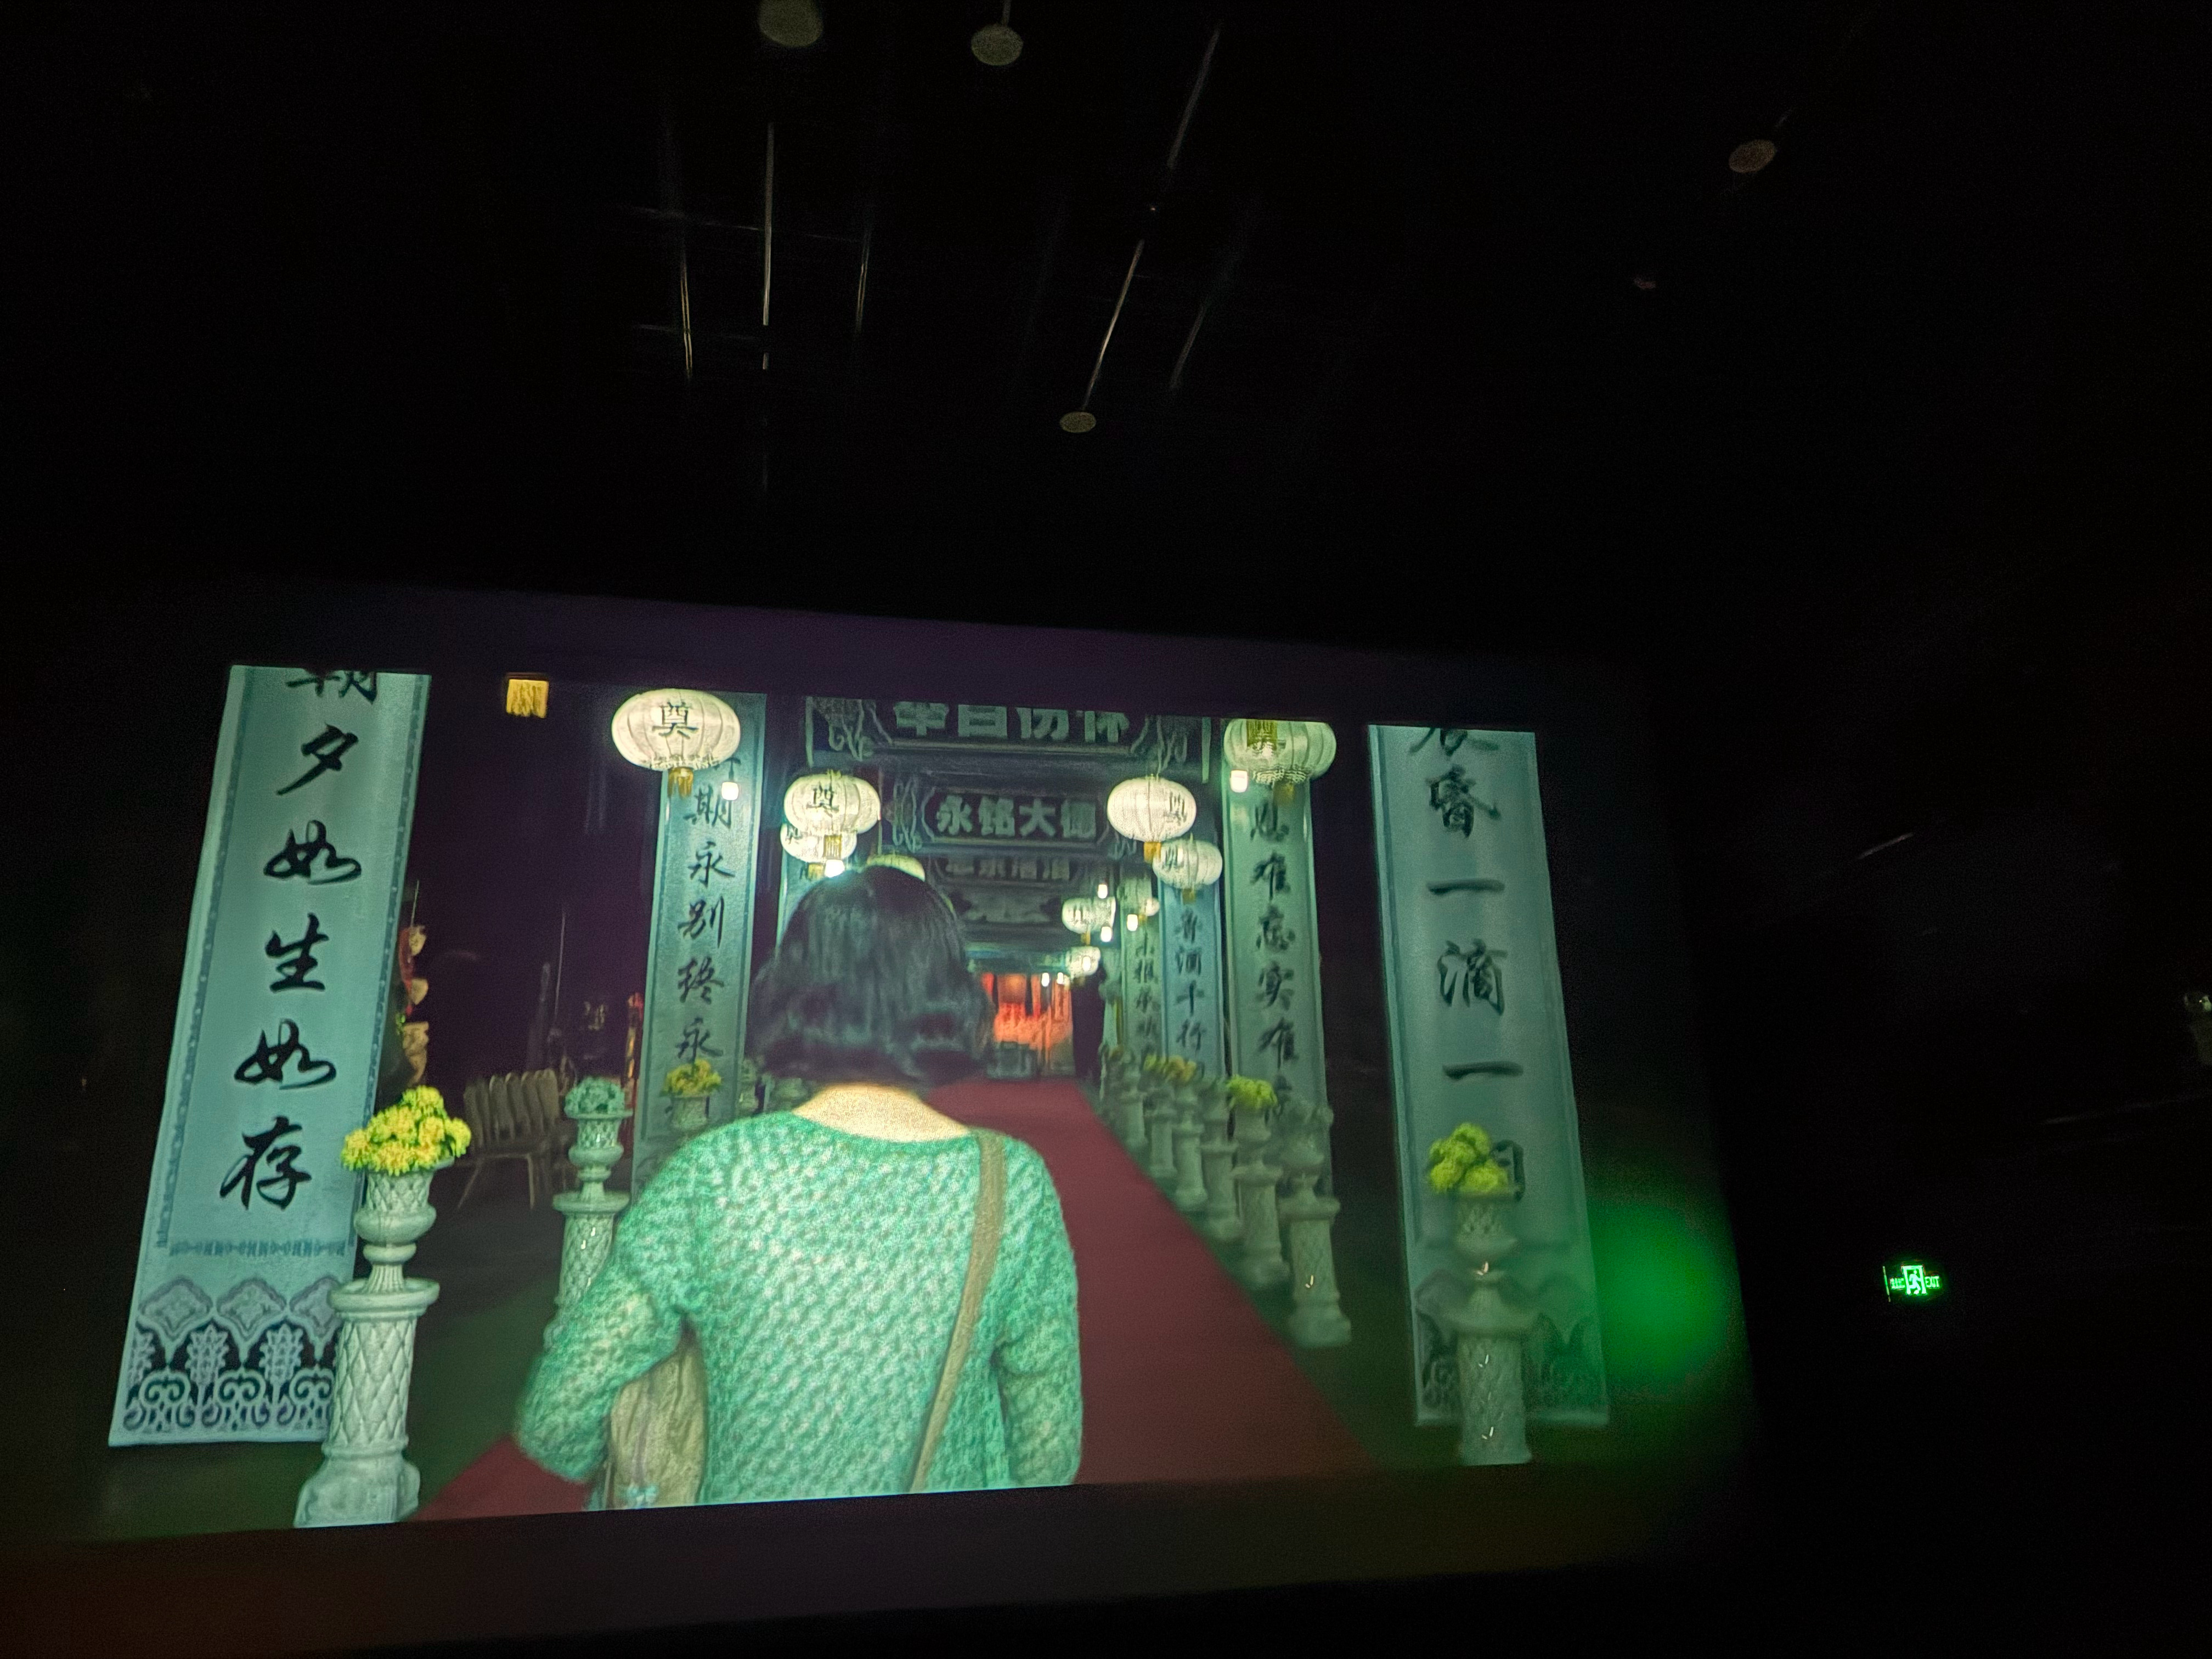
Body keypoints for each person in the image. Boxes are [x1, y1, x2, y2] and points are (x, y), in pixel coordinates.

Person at [516, 865, 1082, 1503]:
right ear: (951, 998)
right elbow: (1048, 1450)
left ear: (792, 991)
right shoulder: (1013, 1186)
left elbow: (557, 1420)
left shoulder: (715, 1175)